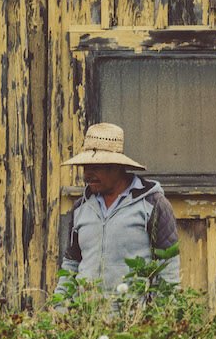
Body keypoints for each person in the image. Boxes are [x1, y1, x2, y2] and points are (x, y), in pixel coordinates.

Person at [57, 122, 180, 294]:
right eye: (85, 168)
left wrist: (162, 315)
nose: (87, 175)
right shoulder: (81, 208)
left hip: (133, 315)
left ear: (116, 167)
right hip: (87, 313)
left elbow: (168, 267)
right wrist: (61, 308)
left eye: (95, 168)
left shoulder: (153, 204)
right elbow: (71, 264)